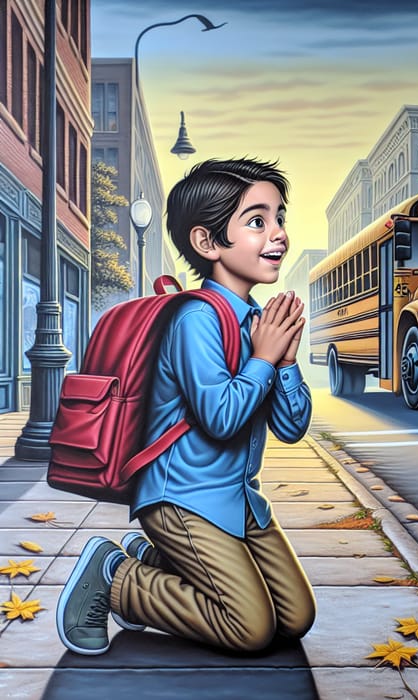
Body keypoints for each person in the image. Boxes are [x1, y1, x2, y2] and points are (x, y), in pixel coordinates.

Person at [56, 158, 316, 655]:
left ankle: (155, 564)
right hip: (182, 498)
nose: (278, 234)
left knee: (296, 617)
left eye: (280, 217)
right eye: (258, 221)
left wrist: (283, 362)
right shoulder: (195, 319)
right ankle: (114, 578)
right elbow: (221, 419)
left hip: (238, 499)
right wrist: (263, 357)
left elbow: (291, 427)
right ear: (207, 243)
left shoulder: (257, 320)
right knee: (250, 628)